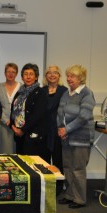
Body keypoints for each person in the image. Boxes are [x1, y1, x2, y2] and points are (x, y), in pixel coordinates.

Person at [57, 65, 95, 209]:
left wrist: (66, 129)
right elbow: (60, 113)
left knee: (78, 169)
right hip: (66, 137)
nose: (68, 79)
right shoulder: (67, 93)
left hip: (81, 138)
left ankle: (79, 199)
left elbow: (84, 116)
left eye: (72, 76)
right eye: (68, 76)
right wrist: (60, 128)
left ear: (80, 78)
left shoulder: (86, 93)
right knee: (67, 167)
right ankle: (70, 195)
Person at [10, 63, 49, 162]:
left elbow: (37, 115)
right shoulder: (20, 92)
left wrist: (22, 130)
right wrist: (13, 126)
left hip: (33, 137)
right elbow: (13, 110)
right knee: (21, 164)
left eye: (31, 74)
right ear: (22, 77)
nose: (28, 77)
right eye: (25, 74)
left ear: (36, 77)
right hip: (19, 135)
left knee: (32, 166)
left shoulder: (40, 93)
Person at [42, 65, 67, 194]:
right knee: (44, 160)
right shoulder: (42, 91)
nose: (52, 75)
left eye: (55, 73)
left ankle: (58, 187)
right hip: (44, 130)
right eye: (49, 73)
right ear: (45, 76)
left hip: (58, 130)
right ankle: (46, 186)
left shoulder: (64, 91)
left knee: (58, 159)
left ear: (59, 76)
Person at [0, 63, 21, 154]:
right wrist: (6, 120)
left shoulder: (22, 87)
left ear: (17, 73)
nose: (11, 74)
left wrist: (15, 122)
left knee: (17, 152)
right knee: (3, 151)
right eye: (8, 71)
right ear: (5, 73)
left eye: (13, 72)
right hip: (3, 125)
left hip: (18, 126)